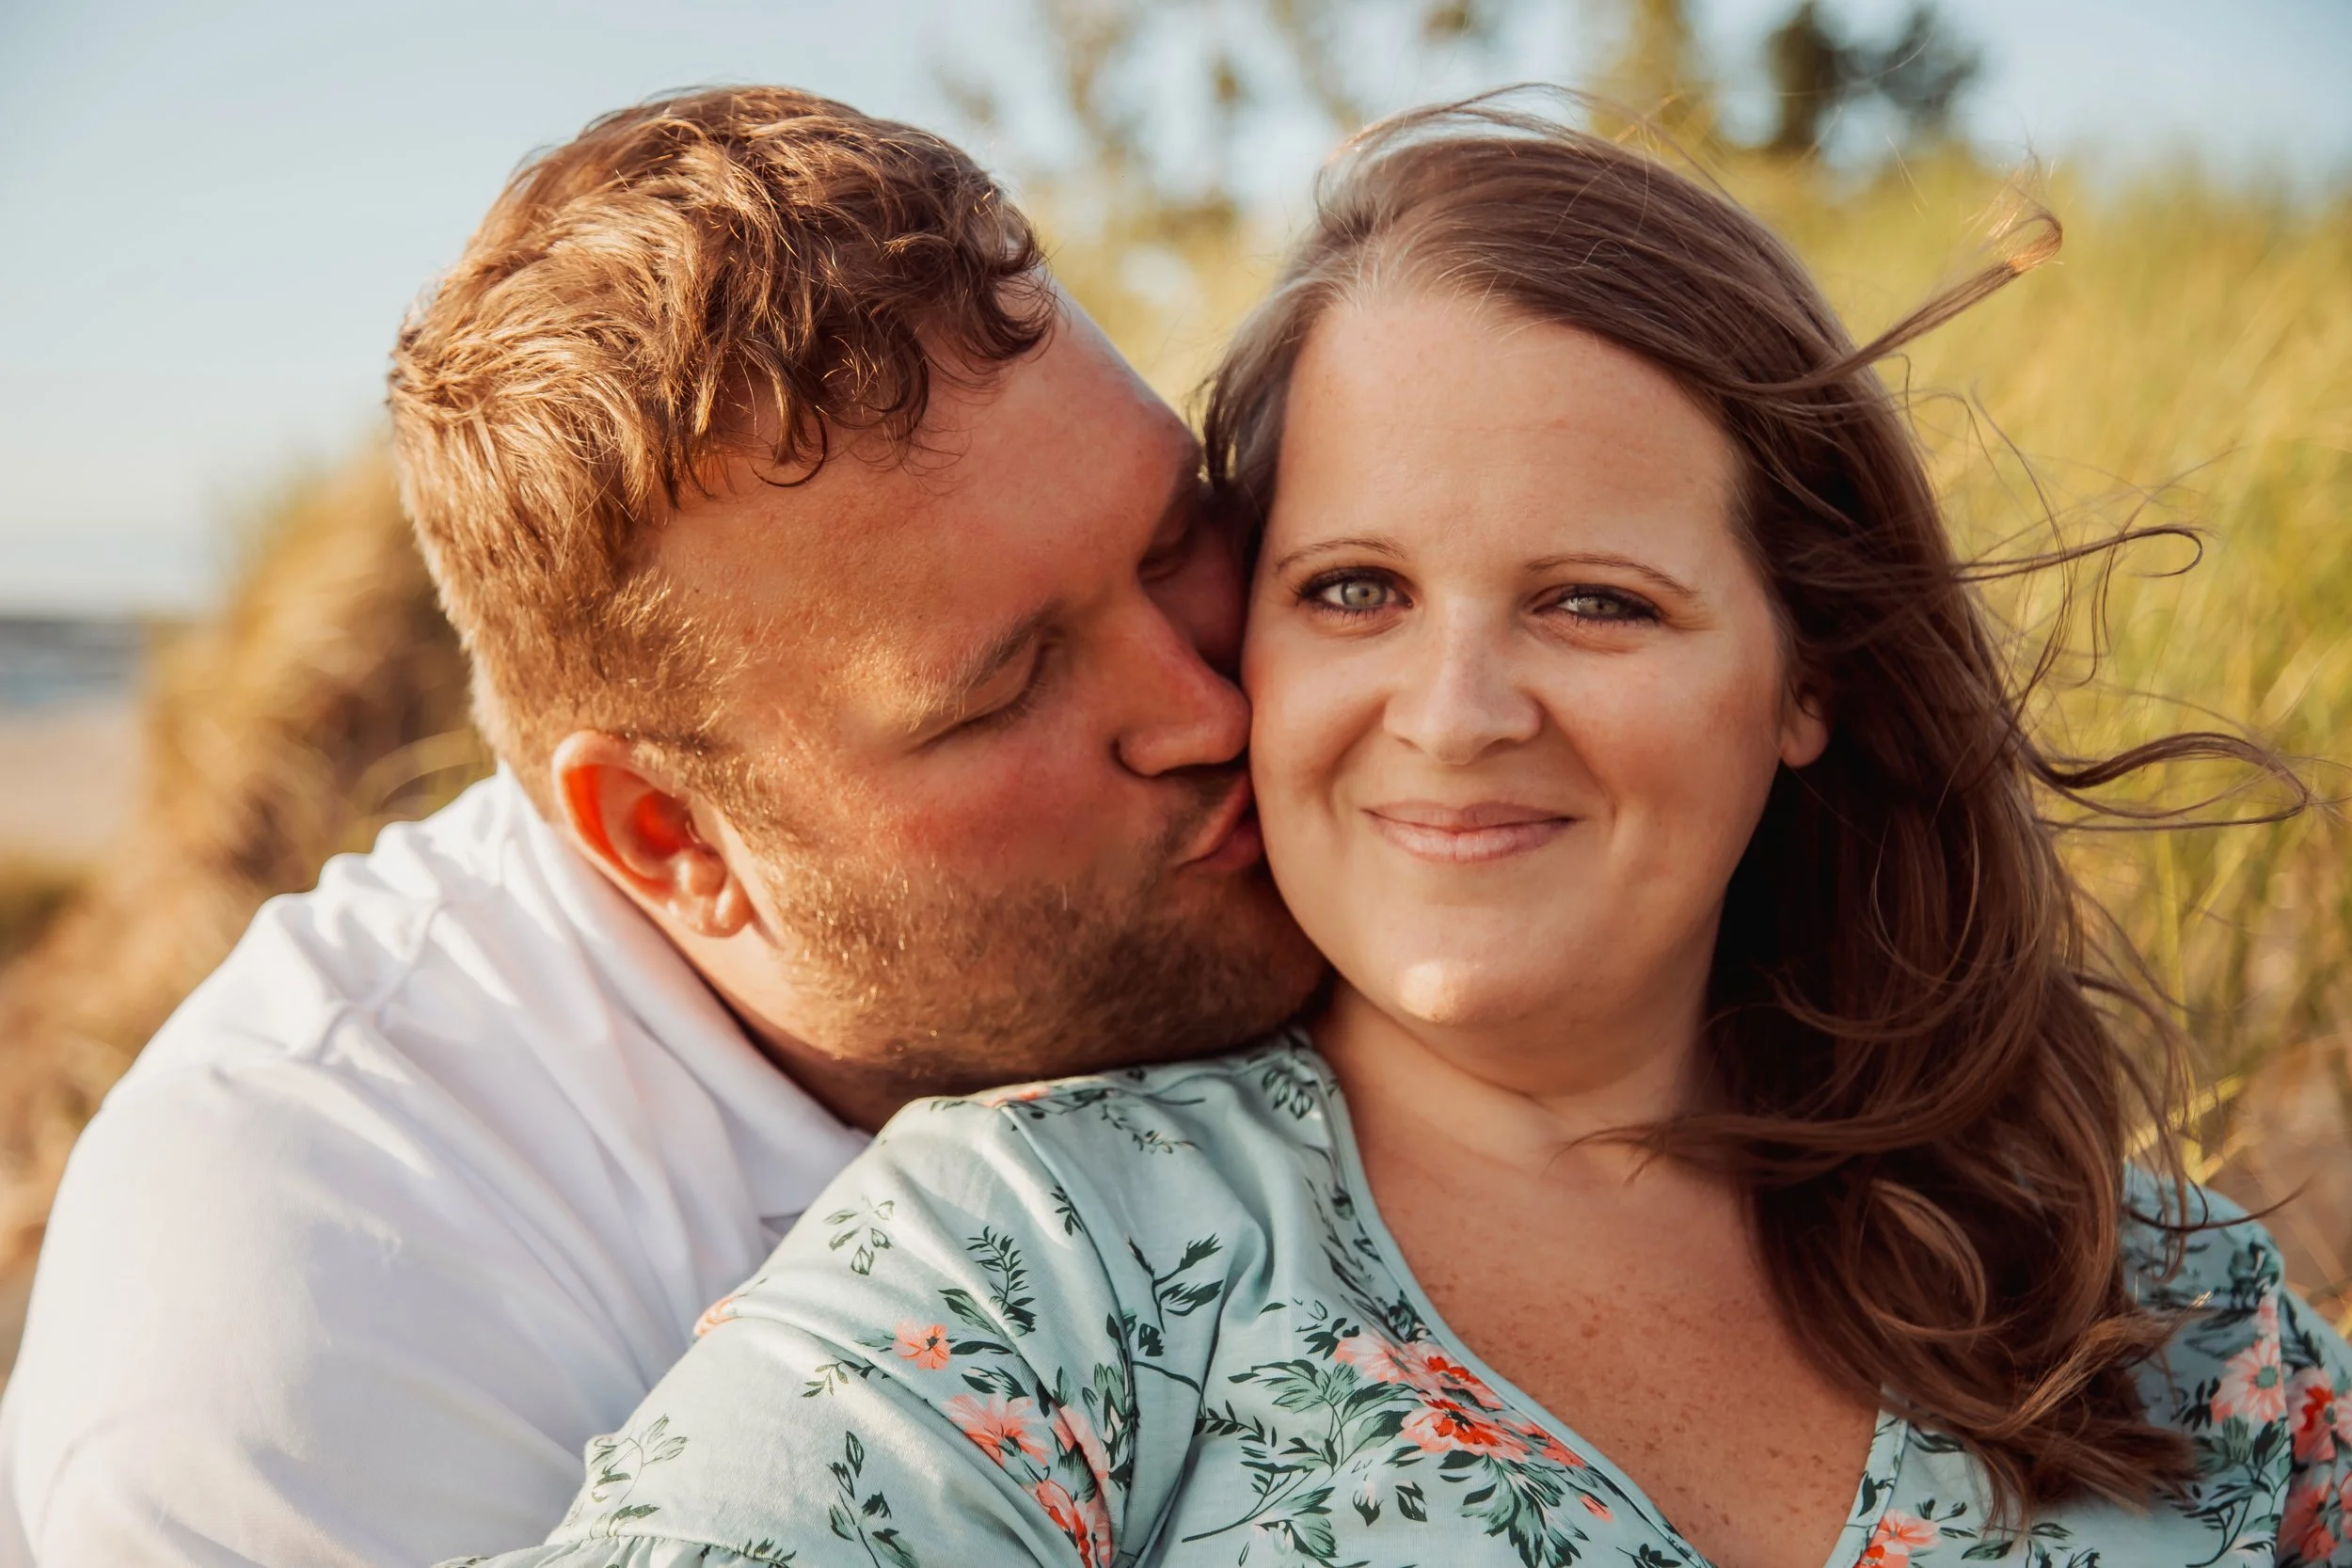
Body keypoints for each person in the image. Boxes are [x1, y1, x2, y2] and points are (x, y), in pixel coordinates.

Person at [446, 103, 2352, 1568]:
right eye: (1351, 588)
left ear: (1804, 674)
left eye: (1593, 599)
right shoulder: (1020, 1275)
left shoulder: (2167, 1304)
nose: (1450, 711)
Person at [0, 88, 1321, 1567]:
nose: (1207, 710)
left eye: (1170, 536)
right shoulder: (309, 1313)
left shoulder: (1341, 821)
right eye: (1007, 686)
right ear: (668, 835)